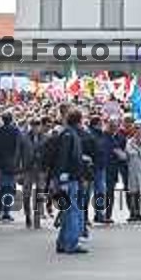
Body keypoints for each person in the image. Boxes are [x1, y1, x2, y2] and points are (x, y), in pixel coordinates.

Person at [55, 108, 87, 255]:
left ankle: (62, 242)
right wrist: (64, 176)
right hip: (70, 178)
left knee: (68, 211)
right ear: (79, 120)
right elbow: (64, 157)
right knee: (72, 211)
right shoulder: (69, 135)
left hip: (68, 177)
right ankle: (72, 243)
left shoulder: (67, 133)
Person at [0, 112, 22, 222]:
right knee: (10, 189)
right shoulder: (16, 131)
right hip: (12, 164)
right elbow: (18, 148)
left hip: (1, 164)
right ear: (11, 119)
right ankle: (6, 212)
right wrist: (19, 164)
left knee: (2, 189)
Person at [105, 118, 128, 224]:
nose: (113, 128)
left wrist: (121, 154)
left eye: (115, 126)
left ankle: (108, 214)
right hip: (105, 167)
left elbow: (124, 151)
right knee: (104, 191)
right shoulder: (103, 136)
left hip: (117, 166)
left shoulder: (121, 137)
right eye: (111, 126)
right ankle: (102, 214)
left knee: (111, 191)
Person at [126, 122, 141, 223]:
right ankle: (135, 213)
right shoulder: (129, 142)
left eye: (139, 128)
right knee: (134, 192)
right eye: (135, 128)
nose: (137, 130)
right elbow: (130, 152)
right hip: (134, 169)